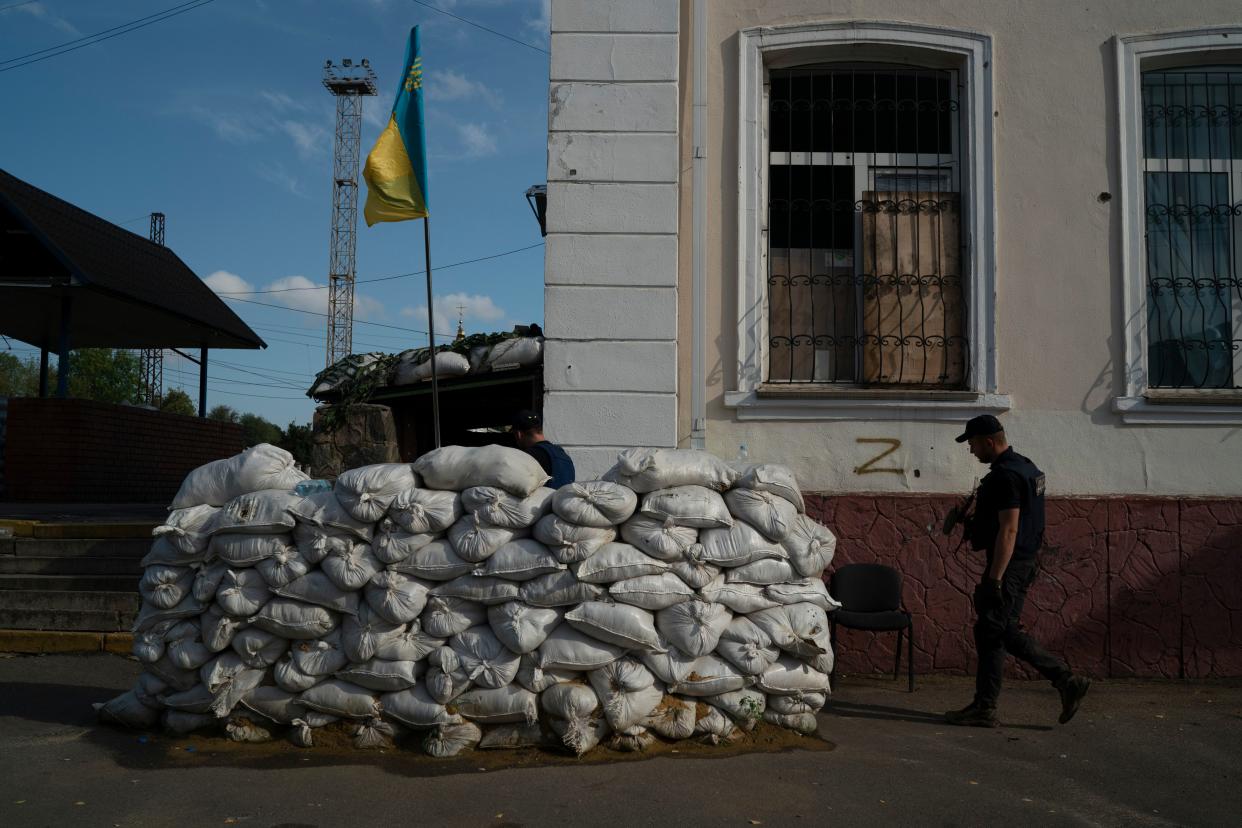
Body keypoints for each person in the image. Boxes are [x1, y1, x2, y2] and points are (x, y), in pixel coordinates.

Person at [945, 414, 1090, 727]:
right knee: (990, 633)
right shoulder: (1025, 467)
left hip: (1008, 566)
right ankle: (984, 708)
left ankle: (1065, 679)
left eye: (972, 444)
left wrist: (994, 580)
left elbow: (1009, 530)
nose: (971, 451)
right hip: (1023, 561)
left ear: (988, 440)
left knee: (1001, 631)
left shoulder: (1006, 477)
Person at [510, 409, 575, 489]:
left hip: (545, 502)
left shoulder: (528, 456)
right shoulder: (564, 455)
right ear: (540, 430)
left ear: (518, 434)